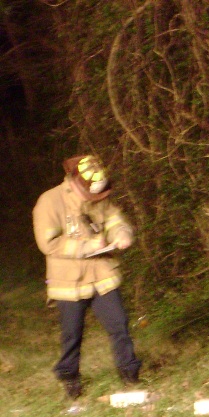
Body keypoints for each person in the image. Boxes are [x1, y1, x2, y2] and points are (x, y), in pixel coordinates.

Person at [32, 155, 141, 399]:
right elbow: (48, 243)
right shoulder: (49, 201)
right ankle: (69, 378)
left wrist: (122, 233)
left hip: (102, 274)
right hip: (68, 282)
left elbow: (115, 220)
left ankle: (130, 374)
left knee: (119, 324)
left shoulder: (99, 197)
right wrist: (87, 246)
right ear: (74, 182)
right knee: (72, 334)